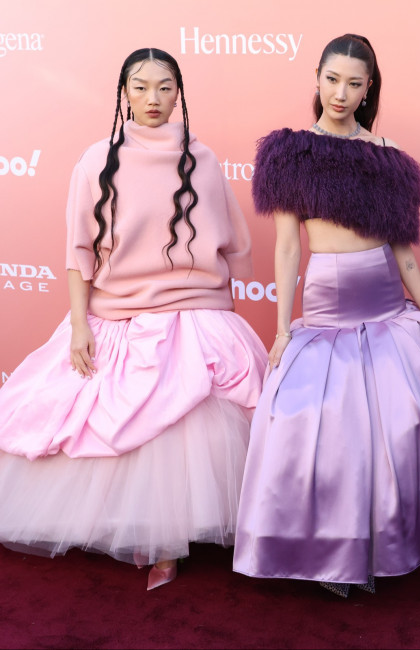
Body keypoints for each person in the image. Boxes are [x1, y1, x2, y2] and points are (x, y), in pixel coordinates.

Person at [0, 48, 267, 590]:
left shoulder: (203, 159)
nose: (153, 98)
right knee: (98, 416)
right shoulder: (97, 160)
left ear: (179, 93)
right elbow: (79, 251)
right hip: (116, 314)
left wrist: (217, 318)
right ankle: (137, 533)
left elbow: (230, 243)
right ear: (123, 93)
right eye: (141, 87)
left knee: (191, 420)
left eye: (165, 87)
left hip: (193, 311)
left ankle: (170, 544)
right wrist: (80, 326)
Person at [232, 34, 420, 597]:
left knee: (410, 424)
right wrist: (283, 328)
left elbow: (404, 252)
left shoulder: (389, 157)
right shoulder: (290, 153)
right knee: (322, 431)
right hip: (327, 311)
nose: (340, 93)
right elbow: (288, 249)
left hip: (388, 307)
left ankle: (389, 545)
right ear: (316, 78)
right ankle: (329, 552)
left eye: (353, 83)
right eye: (331, 80)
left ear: (369, 88)